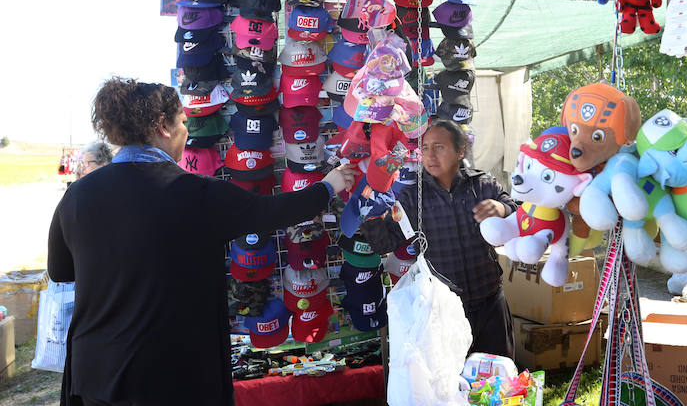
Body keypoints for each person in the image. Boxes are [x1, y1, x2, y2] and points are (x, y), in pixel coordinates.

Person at [47, 77, 356, 406]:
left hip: (96, 373)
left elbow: (61, 271)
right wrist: (327, 185)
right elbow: (271, 212)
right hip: (173, 375)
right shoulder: (195, 193)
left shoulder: (77, 196)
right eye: (183, 122)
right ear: (163, 126)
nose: (187, 131)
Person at [359, 119, 518, 358]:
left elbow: (518, 215)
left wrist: (502, 209)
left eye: (439, 147)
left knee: (499, 379)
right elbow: (385, 243)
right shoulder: (413, 198)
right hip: (444, 310)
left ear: (460, 150)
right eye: (425, 148)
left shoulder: (483, 185)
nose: (430, 155)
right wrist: (369, 218)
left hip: (490, 303)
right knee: (452, 386)